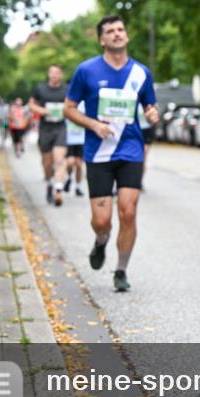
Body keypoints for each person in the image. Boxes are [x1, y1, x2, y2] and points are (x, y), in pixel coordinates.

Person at [64, 15, 159, 292]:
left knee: (128, 212)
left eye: (120, 29)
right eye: (110, 31)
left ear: (126, 36)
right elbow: (69, 109)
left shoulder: (141, 73)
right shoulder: (86, 71)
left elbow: (150, 107)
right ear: (101, 40)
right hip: (98, 153)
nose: (117, 34)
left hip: (131, 150)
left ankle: (121, 270)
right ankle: (101, 240)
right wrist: (93, 125)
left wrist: (153, 115)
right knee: (101, 221)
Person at [29, 64, 70, 206]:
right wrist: (42, 111)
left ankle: (58, 190)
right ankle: (49, 184)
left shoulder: (67, 89)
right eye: (51, 72)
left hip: (61, 128)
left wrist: (67, 110)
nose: (54, 75)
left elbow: (73, 104)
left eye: (57, 72)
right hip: (45, 129)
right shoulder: (40, 89)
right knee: (47, 163)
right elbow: (31, 104)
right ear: (48, 74)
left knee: (59, 159)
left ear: (61, 75)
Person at [64, 101, 86, 197]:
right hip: (69, 139)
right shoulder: (69, 102)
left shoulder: (84, 103)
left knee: (79, 164)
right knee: (70, 162)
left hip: (81, 139)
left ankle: (78, 187)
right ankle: (69, 177)